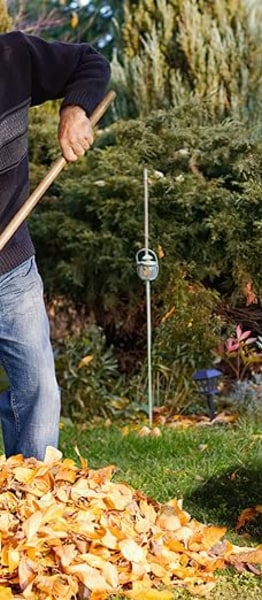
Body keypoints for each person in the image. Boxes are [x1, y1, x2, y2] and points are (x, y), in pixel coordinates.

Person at [0, 31, 111, 460]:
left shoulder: (12, 55)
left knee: (39, 389)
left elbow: (90, 61)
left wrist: (75, 109)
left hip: (12, 270)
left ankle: (34, 499)